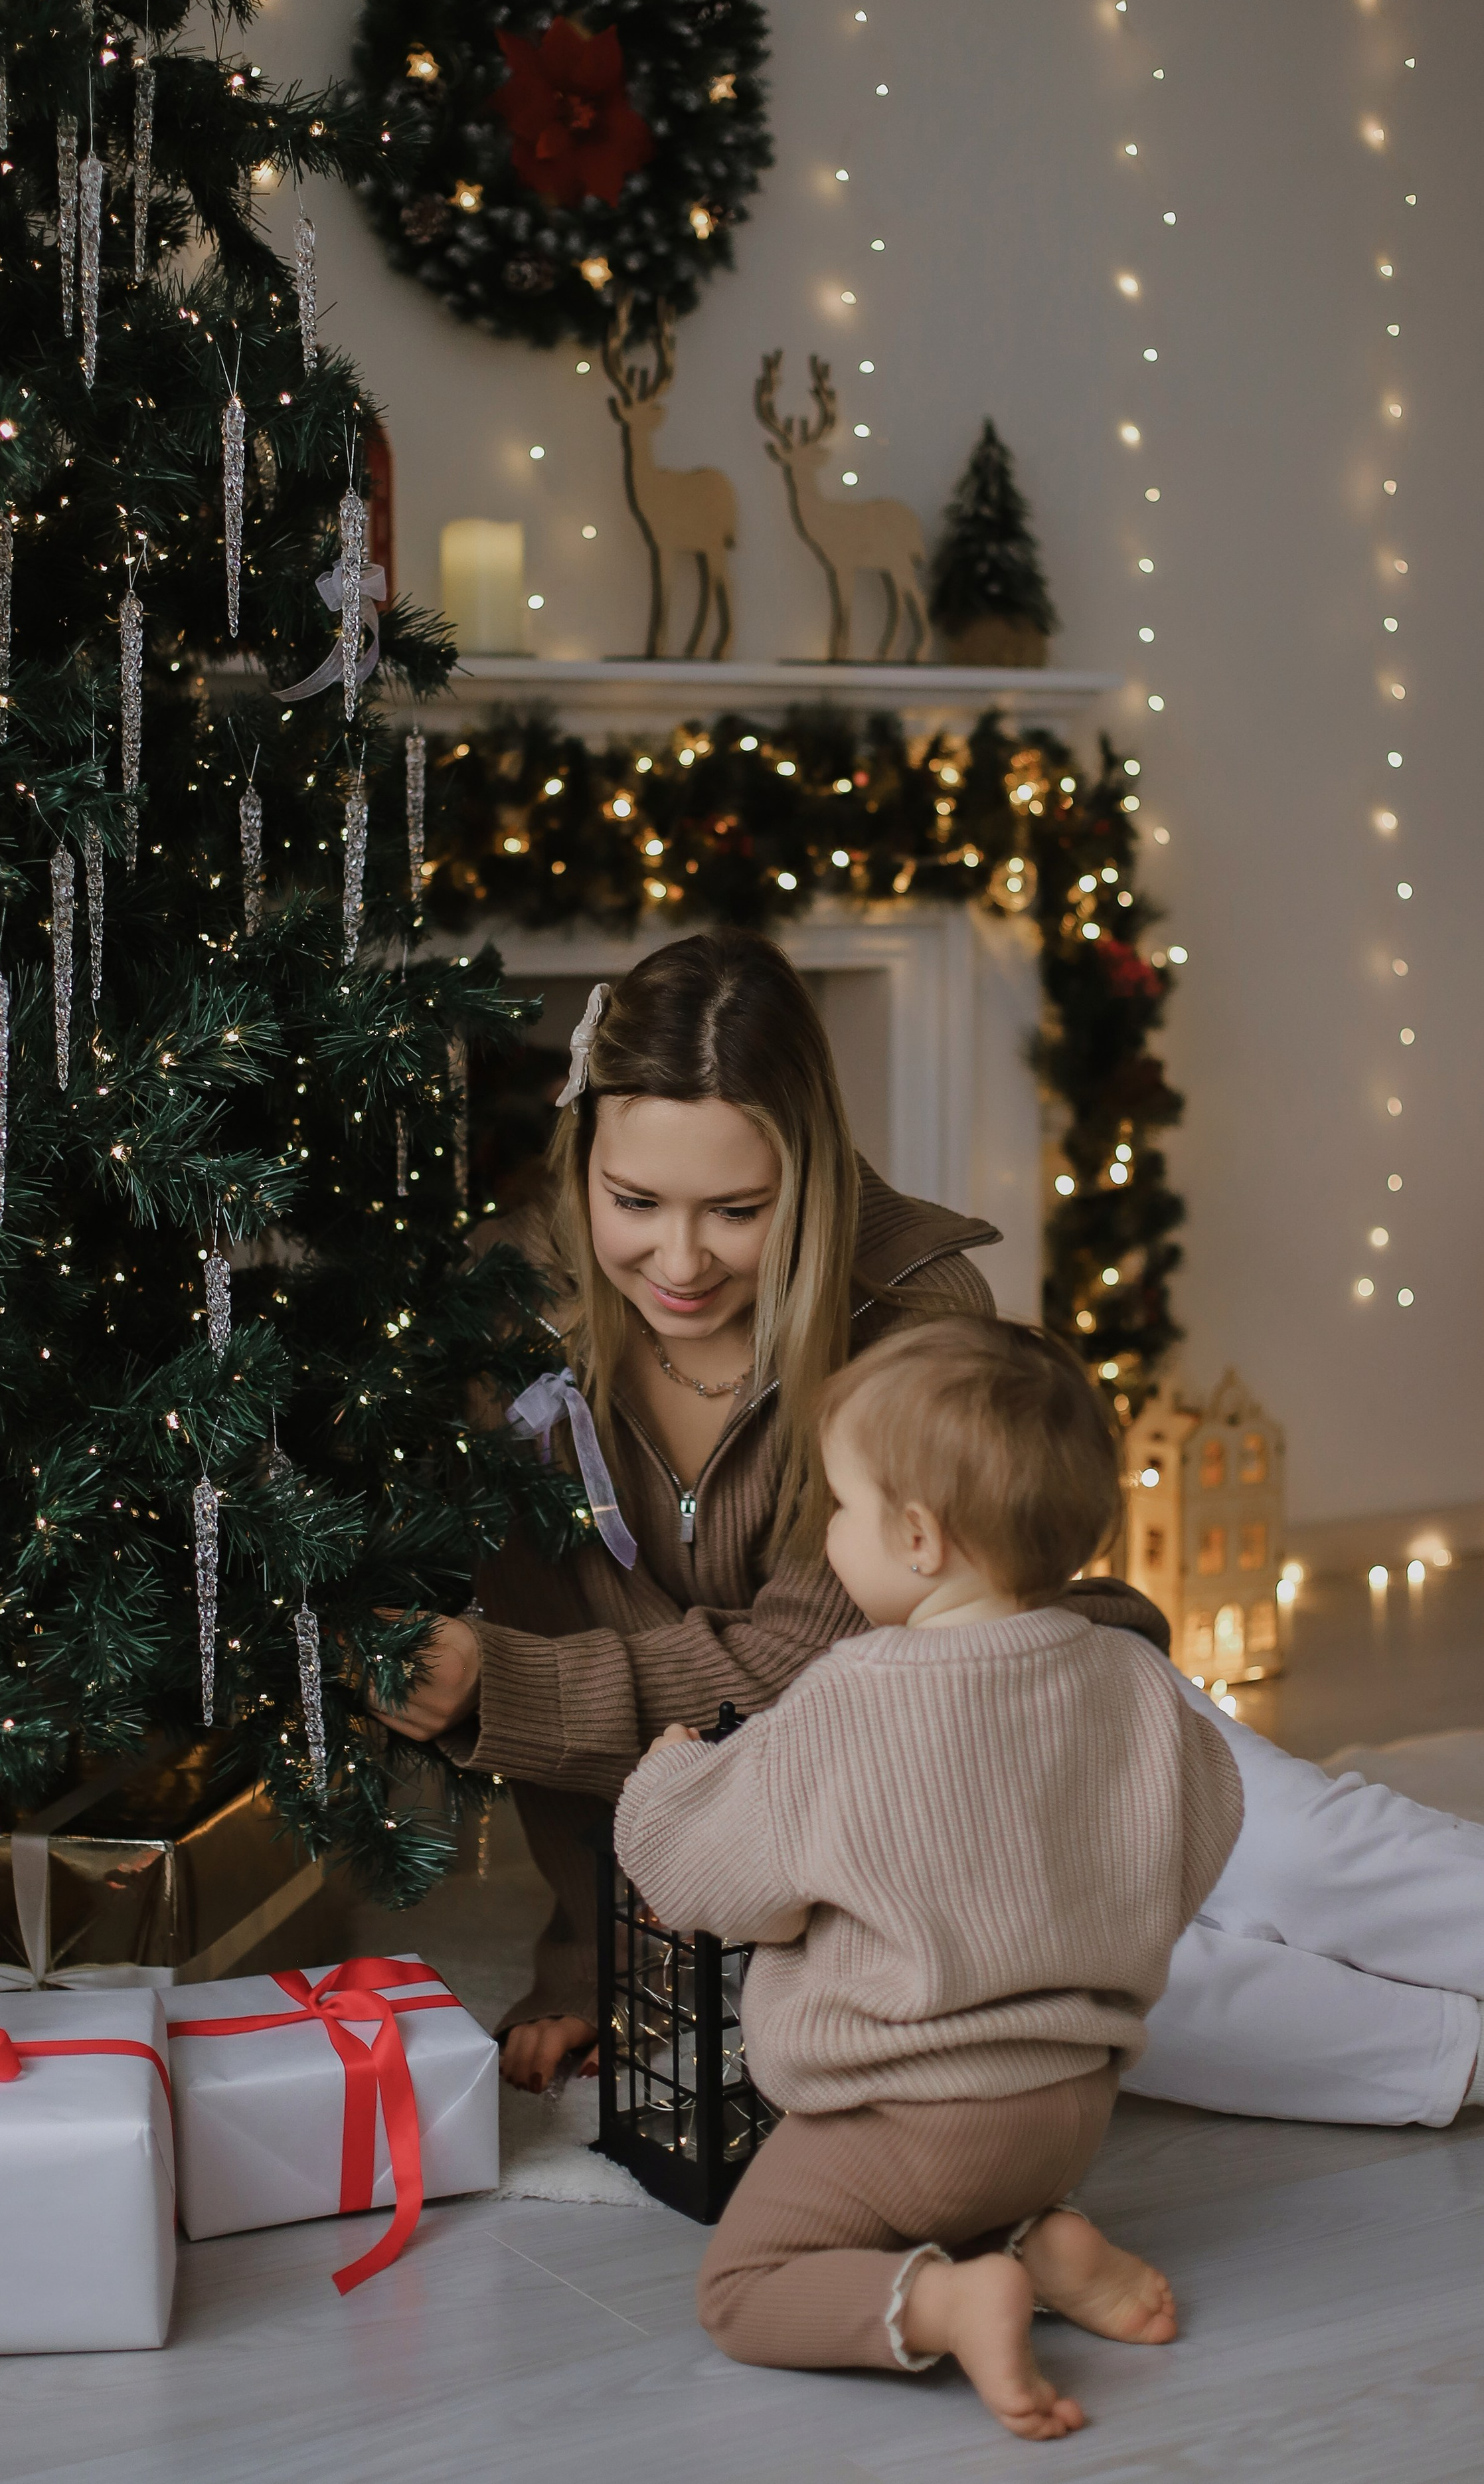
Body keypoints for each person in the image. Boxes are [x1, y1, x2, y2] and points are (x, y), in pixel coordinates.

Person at [374, 929, 1484, 2128]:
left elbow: (801, 1661)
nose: (680, 1260)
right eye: (635, 1201)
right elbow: (571, 1691)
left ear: (808, 1175)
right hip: (863, 1828)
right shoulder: (509, 1334)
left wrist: (515, 1687)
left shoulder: (908, 1309)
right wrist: (596, 1965)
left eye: (737, 1210)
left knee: (1307, 1859)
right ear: (581, 1159)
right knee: (1095, 1991)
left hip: (1048, 1695)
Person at [616, 1316, 1244, 2438]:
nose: (833, 1536)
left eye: (843, 1511)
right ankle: (1040, 2244)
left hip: (907, 2120)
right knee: (972, 2189)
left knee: (741, 2292)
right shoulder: (1131, 1678)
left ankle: (952, 2298)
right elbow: (1201, 1831)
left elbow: (712, 1875)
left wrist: (667, 1783)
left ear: (917, 1536)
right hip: (1069, 2106)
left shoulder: (852, 1697)